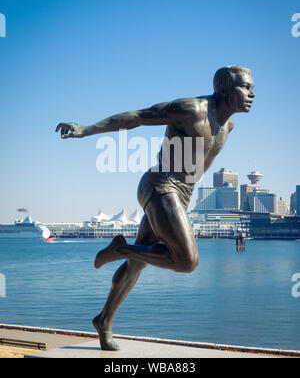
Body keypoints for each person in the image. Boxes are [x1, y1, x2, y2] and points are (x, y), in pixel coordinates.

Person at [56, 65, 255, 350]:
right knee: (187, 261)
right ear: (224, 89)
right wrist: (86, 130)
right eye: (246, 87)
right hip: (161, 185)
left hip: (181, 195)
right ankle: (120, 249)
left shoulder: (228, 126)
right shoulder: (192, 110)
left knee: (138, 263)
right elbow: (137, 117)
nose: (252, 93)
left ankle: (104, 320)